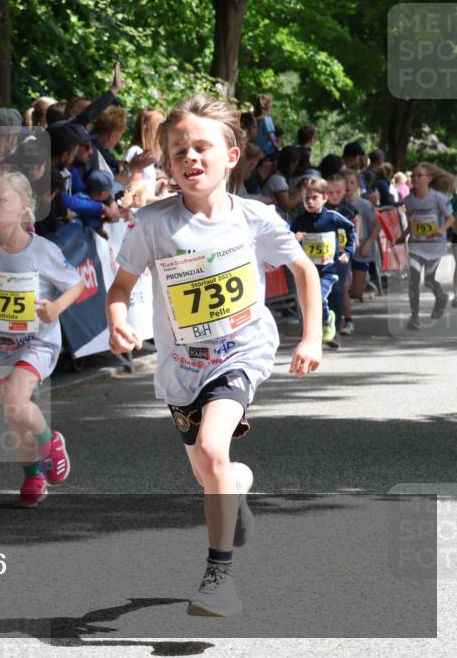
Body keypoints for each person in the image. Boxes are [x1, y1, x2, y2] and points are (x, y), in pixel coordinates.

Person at [107, 94, 322, 617]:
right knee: (209, 468)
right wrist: (118, 321)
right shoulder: (153, 224)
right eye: (179, 150)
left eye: (203, 147)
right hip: (182, 366)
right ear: (167, 162)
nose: (190, 157)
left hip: (240, 351)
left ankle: (218, 578)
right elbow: (121, 286)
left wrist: (311, 336)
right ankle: (236, 488)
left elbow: (304, 272)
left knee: (210, 447)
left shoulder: (254, 217)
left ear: (232, 156)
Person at [0, 170, 83, 507]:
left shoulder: (42, 250)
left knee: (16, 398)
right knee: (14, 414)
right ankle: (31, 475)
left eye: (2, 201)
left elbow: (76, 284)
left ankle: (50, 440)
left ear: (25, 207)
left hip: (37, 342)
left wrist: (55, 307)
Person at [290, 177, 356, 349]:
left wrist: (348, 252)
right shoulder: (299, 221)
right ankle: (311, 335)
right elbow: (287, 240)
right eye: (306, 199)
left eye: (314, 198)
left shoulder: (333, 218)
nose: (310, 202)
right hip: (307, 270)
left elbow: (351, 228)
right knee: (307, 302)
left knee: (318, 298)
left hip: (329, 270)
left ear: (325, 198)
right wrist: (295, 239)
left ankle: (328, 322)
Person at [399, 162, 455, 329]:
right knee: (413, 280)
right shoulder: (408, 201)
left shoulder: (438, 198)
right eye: (413, 175)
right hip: (416, 246)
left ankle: (441, 298)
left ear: (429, 179)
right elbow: (411, 222)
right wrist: (404, 236)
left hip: (434, 247)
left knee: (429, 281)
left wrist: (440, 230)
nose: (414, 178)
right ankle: (414, 317)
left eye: (419, 175)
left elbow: (450, 219)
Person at [325, 174, 358, 337]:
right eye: (330, 193)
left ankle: (338, 325)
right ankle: (323, 323)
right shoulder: (320, 210)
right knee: (324, 291)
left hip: (341, 257)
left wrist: (351, 248)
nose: (334, 196)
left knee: (339, 289)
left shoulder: (350, 211)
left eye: (338, 192)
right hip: (322, 257)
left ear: (344, 191)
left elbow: (355, 234)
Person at [343, 168, 380, 303]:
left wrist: (368, 244)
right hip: (341, 248)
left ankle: (363, 281)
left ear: (357, 185)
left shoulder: (364, 204)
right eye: (345, 182)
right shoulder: (333, 205)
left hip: (360, 247)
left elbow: (377, 225)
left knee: (357, 293)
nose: (347, 186)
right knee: (342, 287)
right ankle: (344, 315)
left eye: (352, 183)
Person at [124, 108, 163, 195]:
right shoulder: (138, 154)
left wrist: (157, 185)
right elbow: (133, 191)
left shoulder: (143, 153)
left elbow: (142, 183)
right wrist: (157, 200)